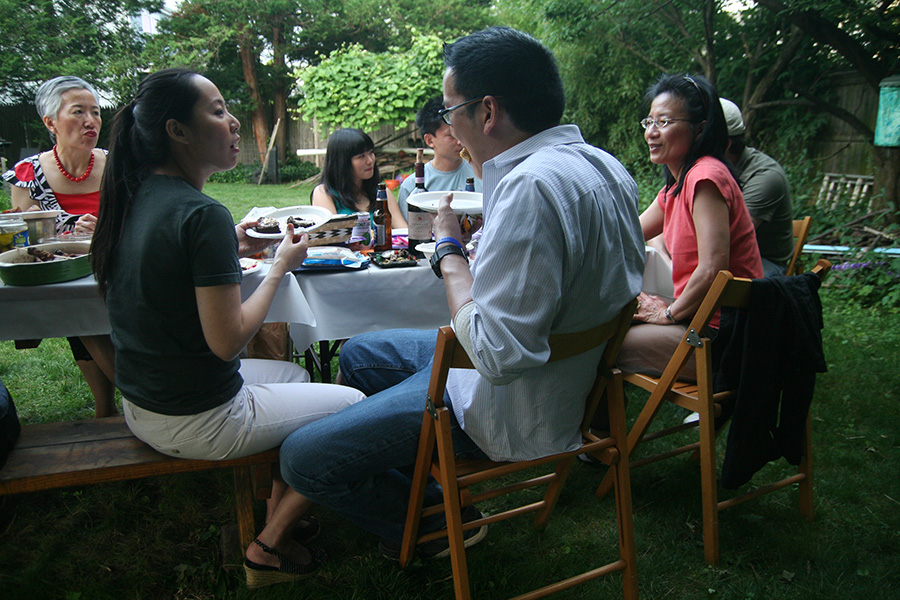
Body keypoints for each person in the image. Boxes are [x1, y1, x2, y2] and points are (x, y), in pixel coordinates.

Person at [278, 26, 645, 559]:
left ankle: (433, 519)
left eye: (451, 113)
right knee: (358, 353)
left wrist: (449, 251)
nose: (449, 127)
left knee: (302, 459)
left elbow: (496, 355)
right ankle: (413, 476)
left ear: (488, 111)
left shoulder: (529, 186)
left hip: (506, 406)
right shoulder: (605, 165)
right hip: (570, 383)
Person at [90, 68, 366, 588]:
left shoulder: (137, 195)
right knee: (354, 405)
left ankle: (281, 511)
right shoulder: (200, 214)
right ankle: (268, 548)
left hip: (144, 403)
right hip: (197, 417)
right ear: (178, 131)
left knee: (298, 378)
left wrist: (230, 245)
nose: (234, 121)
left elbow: (175, 274)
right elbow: (228, 342)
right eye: (217, 111)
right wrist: (279, 267)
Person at [617, 74, 763, 380]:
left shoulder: (705, 178)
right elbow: (626, 234)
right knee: (611, 323)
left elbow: (713, 269)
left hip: (723, 336)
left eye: (664, 122)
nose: (651, 133)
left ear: (699, 128)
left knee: (601, 343)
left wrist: (667, 313)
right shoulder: (676, 186)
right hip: (700, 319)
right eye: (649, 122)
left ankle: (597, 418)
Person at [1, 76, 116, 417]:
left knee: (83, 311)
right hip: (65, 272)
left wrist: (107, 229)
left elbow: (140, 218)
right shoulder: (28, 173)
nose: (90, 121)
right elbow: (26, 240)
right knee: (76, 308)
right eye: (78, 112)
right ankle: (110, 404)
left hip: (118, 264)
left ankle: (132, 399)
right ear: (50, 122)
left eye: (95, 112)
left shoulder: (117, 165)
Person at [720, 98, 795, 277]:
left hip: (764, 261)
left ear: (723, 144)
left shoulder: (765, 177)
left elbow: (729, 239)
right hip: (722, 256)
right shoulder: (703, 171)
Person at [397, 95, 481, 220]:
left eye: (460, 132)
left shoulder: (480, 175)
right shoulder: (411, 187)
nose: (460, 141)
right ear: (430, 140)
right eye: (451, 135)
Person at [311, 128, 407, 229]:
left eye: (371, 152)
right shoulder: (324, 193)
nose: (370, 160)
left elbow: (403, 231)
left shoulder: (382, 193)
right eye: (361, 156)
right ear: (342, 162)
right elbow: (333, 235)